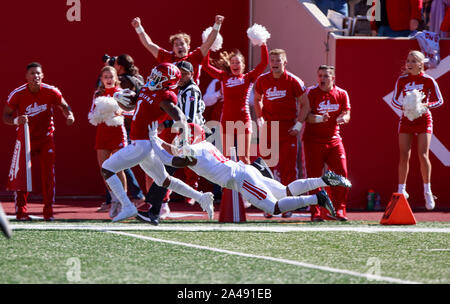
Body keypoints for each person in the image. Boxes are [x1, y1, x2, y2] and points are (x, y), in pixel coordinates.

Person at [147, 122, 352, 220]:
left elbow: (170, 158)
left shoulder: (193, 151)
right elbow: (174, 152)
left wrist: (155, 140)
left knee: (274, 208)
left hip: (241, 179)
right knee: (286, 191)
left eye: (184, 135)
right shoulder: (204, 146)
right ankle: (323, 180)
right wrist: (158, 140)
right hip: (246, 171)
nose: (180, 138)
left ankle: (317, 199)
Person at [101, 62, 215, 222]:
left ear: (167, 81)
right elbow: (140, 109)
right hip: (143, 143)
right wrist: (122, 107)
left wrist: (185, 142)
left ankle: (127, 206)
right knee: (164, 180)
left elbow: (181, 119)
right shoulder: (148, 87)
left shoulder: (165, 97)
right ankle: (202, 197)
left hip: (142, 143)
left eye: (158, 76)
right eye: (154, 74)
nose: (153, 77)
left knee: (107, 168)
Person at [3, 62, 75, 221]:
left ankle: (48, 212)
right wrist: (16, 121)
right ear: (26, 77)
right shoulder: (18, 93)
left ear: (43, 75)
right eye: (32, 74)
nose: (36, 76)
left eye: (38, 73)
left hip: (46, 138)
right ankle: (21, 212)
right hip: (25, 139)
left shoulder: (51, 91)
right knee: (22, 175)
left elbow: (64, 105)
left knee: (48, 174)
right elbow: (5, 116)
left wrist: (69, 115)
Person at [142, 61, 207, 223]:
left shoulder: (190, 91)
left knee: (166, 168)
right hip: (184, 132)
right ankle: (155, 207)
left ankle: (156, 206)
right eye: (180, 73)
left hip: (191, 133)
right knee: (165, 168)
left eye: (185, 73)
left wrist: (165, 124)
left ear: (191, 74)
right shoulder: (180, 89)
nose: (182, 76)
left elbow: (188, 119)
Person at [253, 48, 309, 217]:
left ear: (285, 62)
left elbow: (305, 104)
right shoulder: (262, 80)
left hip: (287, 129)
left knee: (288, 169)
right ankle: (269, 204)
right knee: (267, 168)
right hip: (270, 128)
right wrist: (260, 118)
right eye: (272, 60)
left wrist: (298, 125)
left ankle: (288, 205)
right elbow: (257, 99)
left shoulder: (294, 81)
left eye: (278, 60)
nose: (275, 64)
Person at [201, 35, 269, 164]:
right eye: (232, 62)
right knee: (227, 159)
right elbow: (206, 65)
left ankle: (247, 184)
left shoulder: (248, 77)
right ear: (229, 65)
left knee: (244, 159)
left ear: (243, 65)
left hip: (244, 120)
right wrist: (209, 45)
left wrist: (262, 43)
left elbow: (264, 63)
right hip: (226, 122)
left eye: (238, 62)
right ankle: (227, 185)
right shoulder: (223, 77)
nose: (235, 65)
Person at [391, 50, 443, 210]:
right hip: (407, 120)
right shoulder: (402, 80)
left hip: (423, 119)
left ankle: (427, 190)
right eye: (408, 60)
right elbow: (394, 100)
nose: (410, 63)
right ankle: (402, 190)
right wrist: (406, 108)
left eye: (414, 61)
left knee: (422, 154)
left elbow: (439, 100)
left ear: (421, 64)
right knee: (404, 154)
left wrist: (423, 107)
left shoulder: (428, 80)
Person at [302, 65, 351, 222]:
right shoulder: (311, 92)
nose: (322, 79)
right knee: (314, 178)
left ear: (333, 78)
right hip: (313, 141)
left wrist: (344, 118)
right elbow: (305, 115)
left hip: (334, 140)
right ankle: (315, 211)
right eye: (320, 76)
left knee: (341, 173)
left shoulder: (341, 93)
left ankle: (338, 210)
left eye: (326, 76)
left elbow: (347, 112)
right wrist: (318, 118)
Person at [131, 15, 225, 84]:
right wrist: (138, 27)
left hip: (189, 97)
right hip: (171, 99)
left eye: (182, 44)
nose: (179, 46)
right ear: (173, 48)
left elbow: (208, 43)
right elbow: (149, 44)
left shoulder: (195, 57)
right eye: (176, 44)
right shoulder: (167, 57)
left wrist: (217, 24)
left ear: (188, 47)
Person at [88, 66, 128, 218]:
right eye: (105, 77)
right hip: (102, 134)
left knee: (118, 168)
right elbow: (91, 114)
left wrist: (119, 112)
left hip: (118, 134)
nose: (108, 79)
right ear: (102, 79)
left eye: (111, 76)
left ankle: (124, 202)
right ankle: (114, 199)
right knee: (105, 169)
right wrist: (98, 114)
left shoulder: (122, 93)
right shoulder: (98, 94)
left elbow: (130, 110)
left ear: (116, 77)